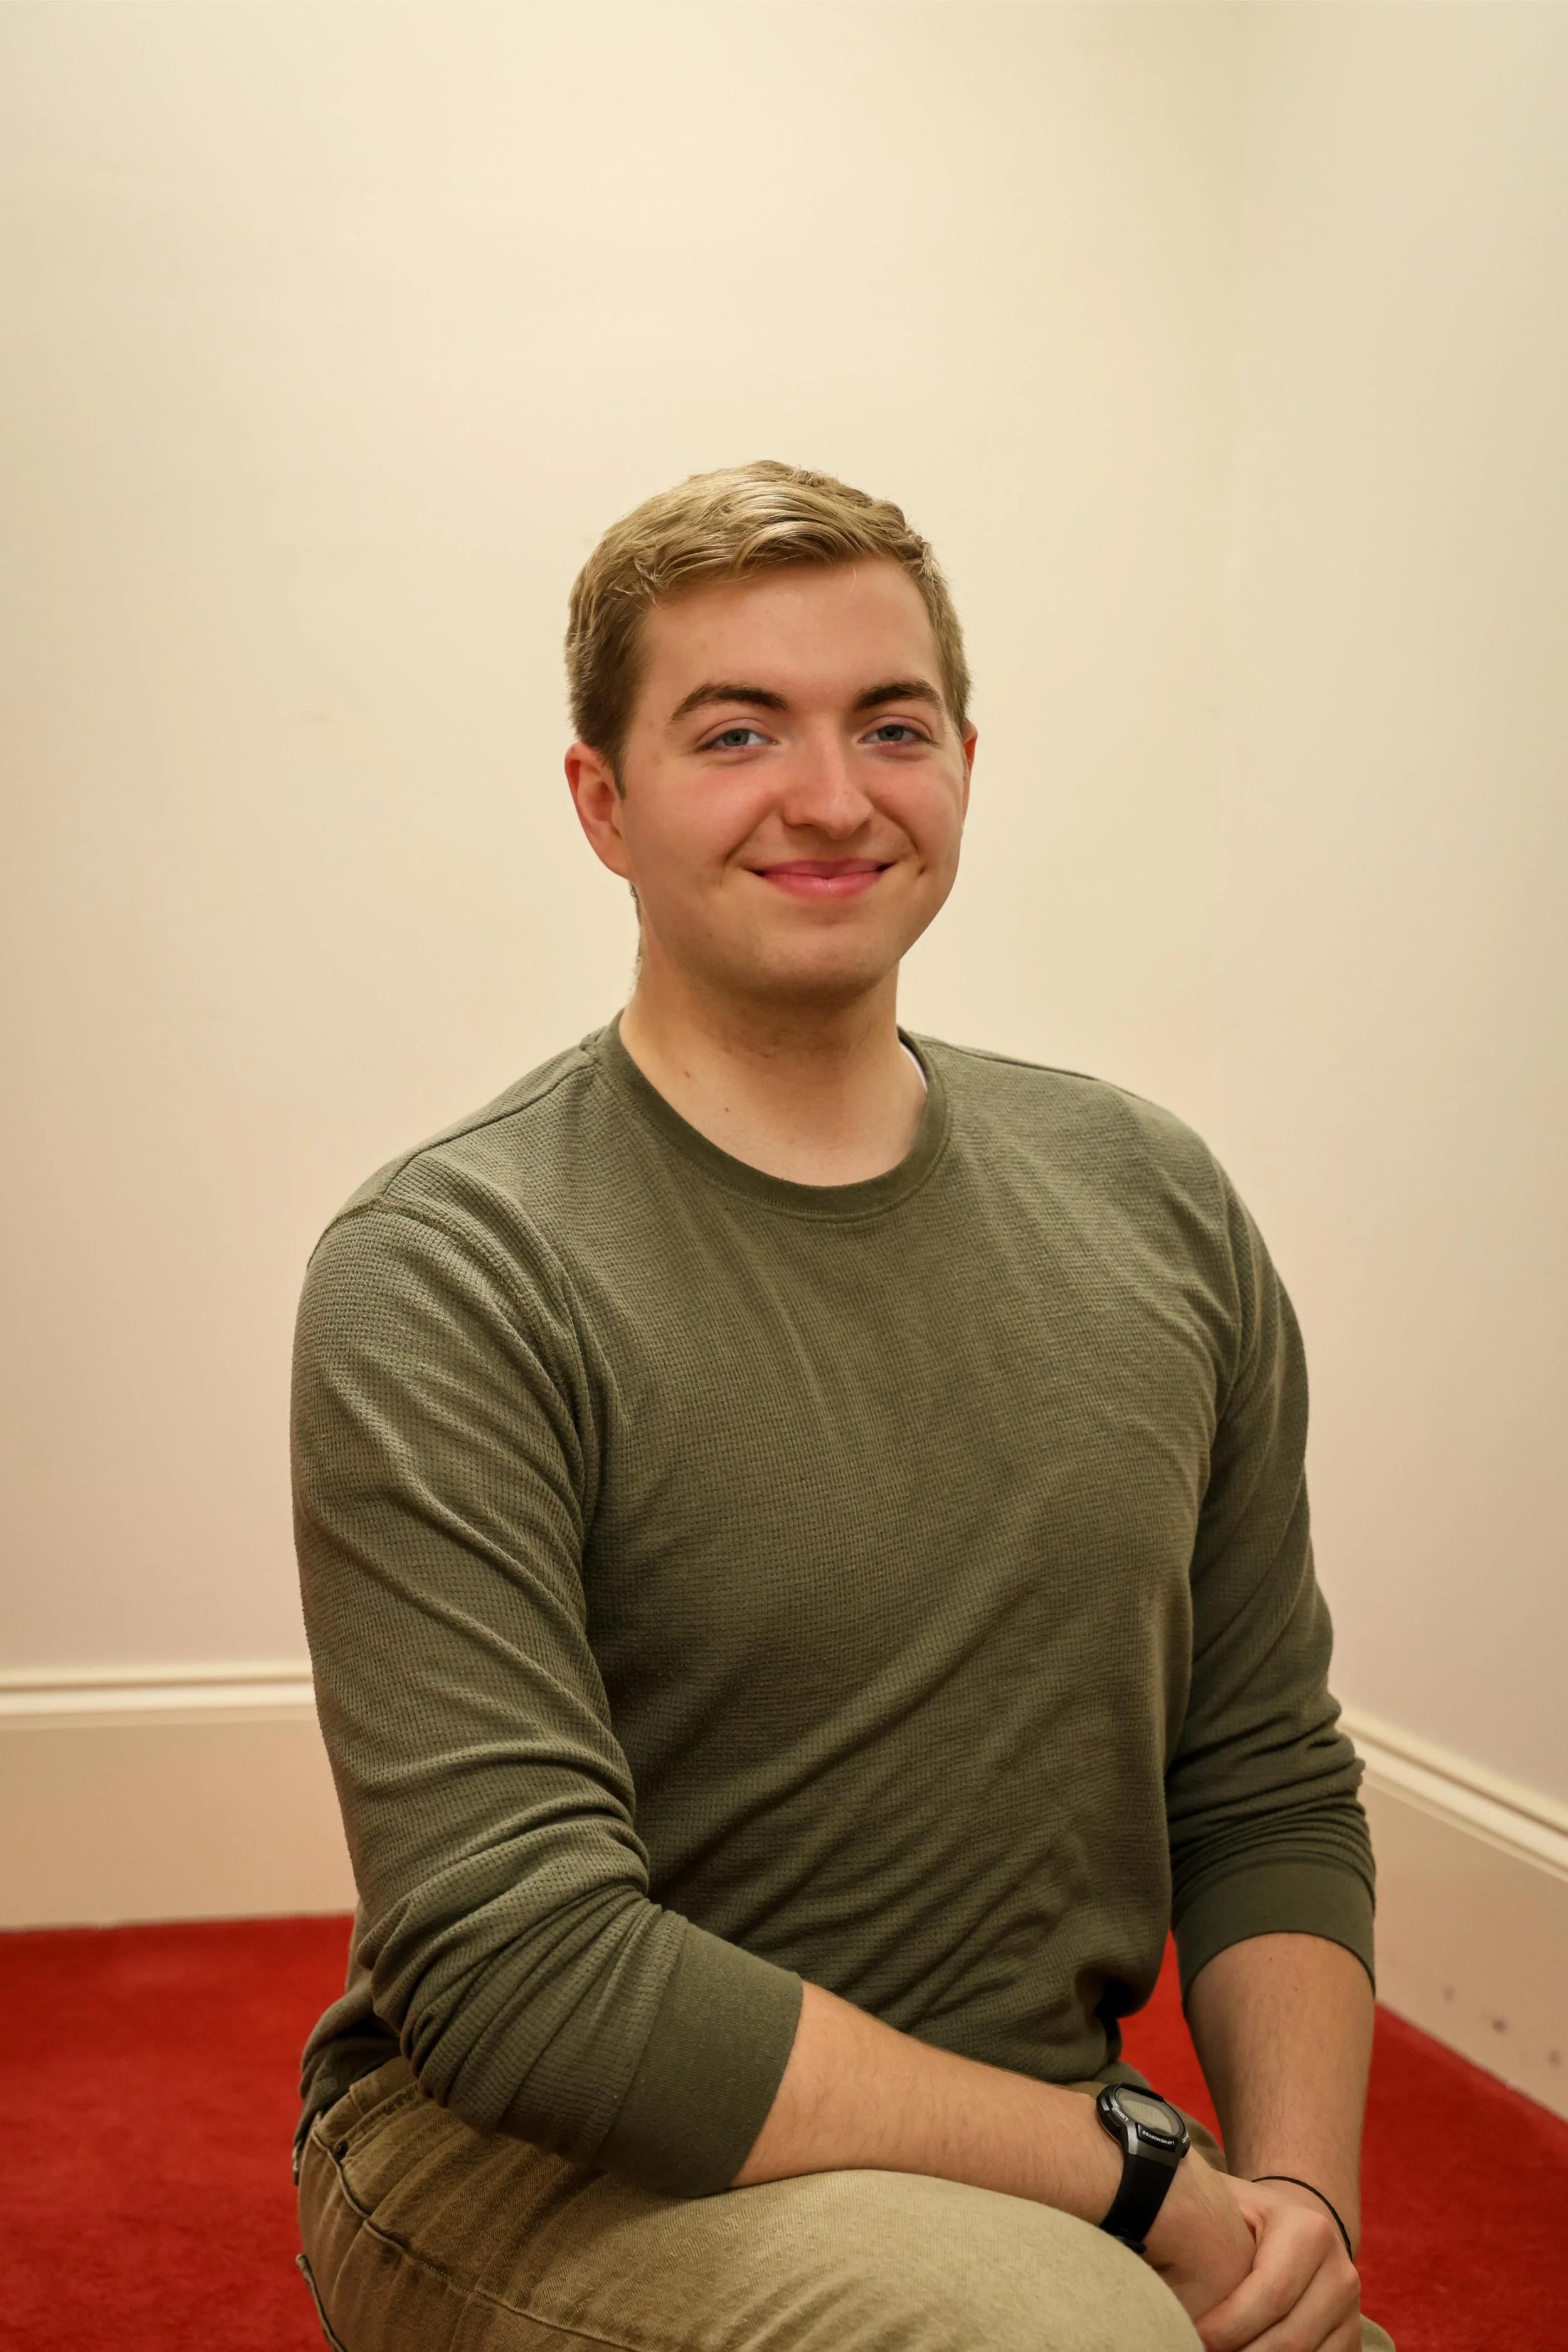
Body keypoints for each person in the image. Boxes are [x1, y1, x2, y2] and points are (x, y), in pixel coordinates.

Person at [291, 461, 1392, 2352]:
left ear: (962, 762)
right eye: (737, 733)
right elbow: (522, 1972)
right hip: (548, 2160)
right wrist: (1127, 2171)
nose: (829, 795)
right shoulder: (450, 1263)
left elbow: (1262, 1772)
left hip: (1037, 2152)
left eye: (889, 724)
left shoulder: (1156, 1199)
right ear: (603, 804)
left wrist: (1296, 2205)